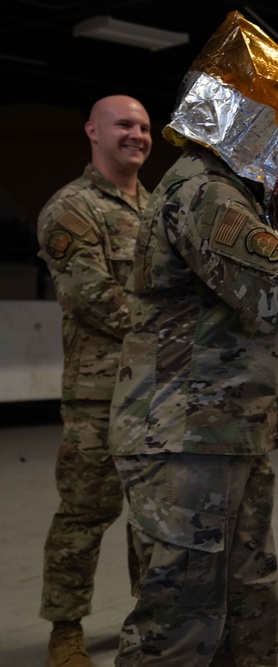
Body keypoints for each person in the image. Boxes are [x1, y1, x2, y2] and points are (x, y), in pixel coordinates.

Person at [108, 11, 278, 665]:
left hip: (224, 434)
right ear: (237, 124)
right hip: (183, 439)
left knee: (244, 605)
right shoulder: (204, 193)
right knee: (179, 625)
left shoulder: (224, 191)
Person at [36, 94, 151, 667]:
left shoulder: (158, 208)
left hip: (159, 391)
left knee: (154, 513)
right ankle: (65, 629)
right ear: (92, 131)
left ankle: (151, 616)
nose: (137, 134)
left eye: (144, 126)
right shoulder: (72, 207)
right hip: (98, 394)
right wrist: (180, 335)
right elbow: (94, 298)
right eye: (124, 124)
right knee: (84, 512)